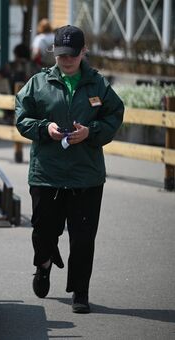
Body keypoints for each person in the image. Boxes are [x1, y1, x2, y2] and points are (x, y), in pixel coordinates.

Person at [15, 25, 124, 314]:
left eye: (72, 55)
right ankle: (44, 263)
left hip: (85, 175)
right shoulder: (38, 83)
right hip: (46, 174)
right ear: (54, 52)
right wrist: (43, 127)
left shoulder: (98, 84)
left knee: (83, 237)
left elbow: (115, 113)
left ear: (84, 51)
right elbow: (21, 116)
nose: (66, 60)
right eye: (61, 55)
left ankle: (80, 291)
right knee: (43, 232)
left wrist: (92, 132)